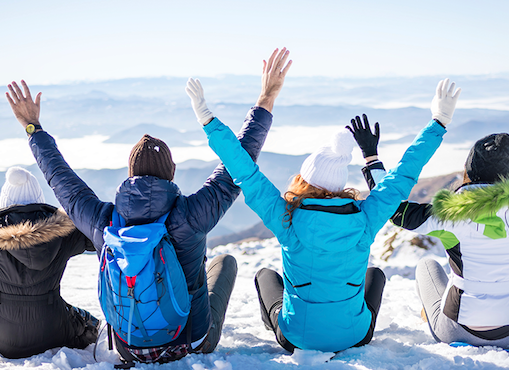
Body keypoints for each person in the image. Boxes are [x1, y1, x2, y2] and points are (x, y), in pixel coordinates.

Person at [5, 47, 292, 364]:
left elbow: (59, 176)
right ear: (171, 173)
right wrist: (266, 99)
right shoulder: (193, 214)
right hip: (192, 341)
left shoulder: (103, 221)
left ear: (129, 174)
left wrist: (32, 126)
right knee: (224, 262)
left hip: (128, 344)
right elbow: (239, 164)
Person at [186, 77, 460, 353]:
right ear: (340, 186)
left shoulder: (287, 220)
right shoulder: (365, 218)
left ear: (303, 181)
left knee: (265, 276)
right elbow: (404, 174)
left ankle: (279, 326)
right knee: (374, 274)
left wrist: (207, 119)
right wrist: (439, 121)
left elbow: (245, 170)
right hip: (355, 336)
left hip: (297, 338)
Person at [363, 119, 509, 347]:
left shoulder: (450, 214)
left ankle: (431, 316)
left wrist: (372, 159)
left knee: (427, 266)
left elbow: (392, 207)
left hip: (458, 330)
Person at [0, 166, 99, 359]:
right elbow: (94, 235)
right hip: (54, 332)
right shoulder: (61, 232)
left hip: (4, 339)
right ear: (39, 200)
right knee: (90, 323)